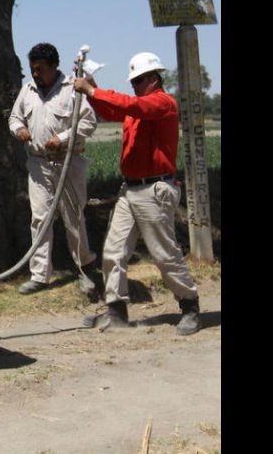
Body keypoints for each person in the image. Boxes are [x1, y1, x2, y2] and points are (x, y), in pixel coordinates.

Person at [73, 51, 201, 335]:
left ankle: (189, 305)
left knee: (164, 254)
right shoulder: (139, 108)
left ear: (154, 78)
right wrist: (92, 87)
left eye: (139, 80)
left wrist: (91, 90)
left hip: (154, 190)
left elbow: (130, 105)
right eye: (133, 81)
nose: (135, 85)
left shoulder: (162, 103)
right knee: (113, 251)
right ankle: (116, 311)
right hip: (130, 189)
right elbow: (112, 111)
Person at [8, 42, 99, 297]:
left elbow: (89, 122)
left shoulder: (73, 89)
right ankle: (39, 276)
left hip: (67, 162)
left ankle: (85, 269)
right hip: (38, 164)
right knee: (40, 219)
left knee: (73, 218)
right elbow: (14, 117)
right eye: (32, 69)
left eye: (40, 69)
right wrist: (19, 129)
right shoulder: (28, 90)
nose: (35, 74)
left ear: (54, 66)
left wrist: (63, 138)